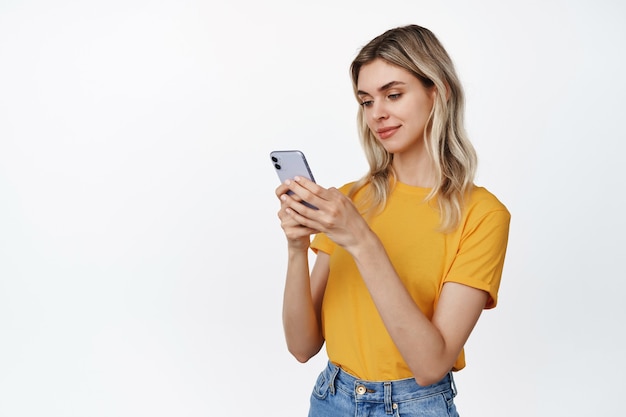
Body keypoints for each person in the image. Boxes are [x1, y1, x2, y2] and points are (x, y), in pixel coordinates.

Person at [275, 24, 510, 417]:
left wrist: (362, 241)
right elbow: (302, 347)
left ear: (438, 91)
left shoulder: (482, 215)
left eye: (394, 94)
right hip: (331, 397)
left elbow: (431, 365)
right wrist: (296, 248)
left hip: (415, 406)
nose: (377, 113)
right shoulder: (351, 199)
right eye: (366, 101)